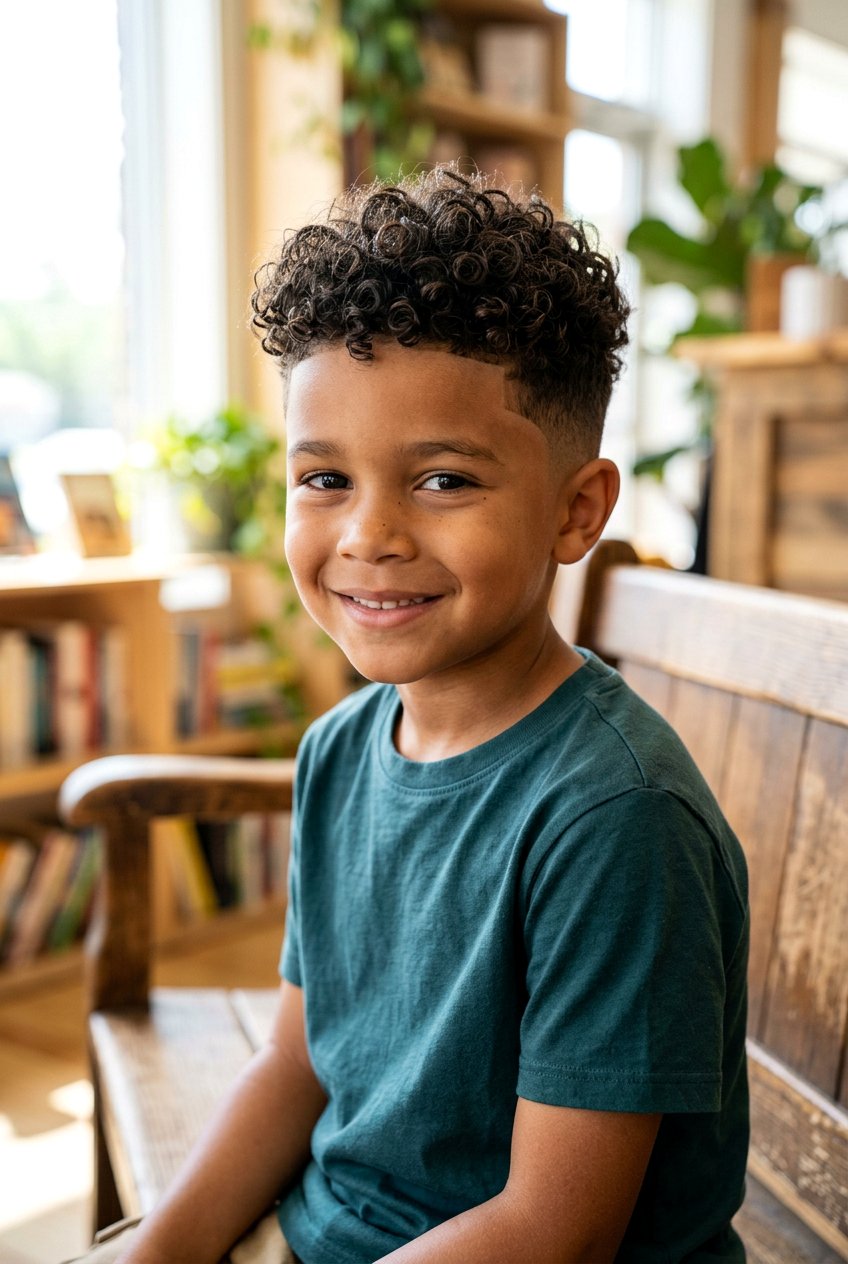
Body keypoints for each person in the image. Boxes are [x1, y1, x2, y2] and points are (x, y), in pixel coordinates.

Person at [65, 166, 749, 1264]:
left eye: (440, 481)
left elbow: (551, 1229)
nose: (367, 535)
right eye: (323, 477)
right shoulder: (341, 747)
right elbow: (298, 1064)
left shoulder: (614, 817)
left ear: (575, 511)